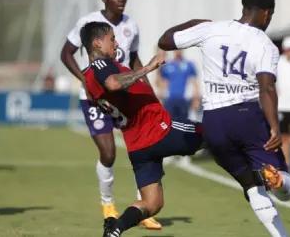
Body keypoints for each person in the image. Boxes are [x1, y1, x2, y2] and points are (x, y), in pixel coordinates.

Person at [158, 0, 290, 236]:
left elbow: (165, 40)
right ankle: (280, 182)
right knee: (285, 185)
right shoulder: (265, 44)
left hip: (214, 123)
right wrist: (274, 126)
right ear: (265, 13)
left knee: (251, 186)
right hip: (247, 117)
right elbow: (267, 87)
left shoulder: (211, 29)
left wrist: (196, 24)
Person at [77, 21, 203, 237]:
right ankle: (258, 174)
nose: (116, 43)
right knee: (213, 132)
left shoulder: (93, 75)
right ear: (97, 43)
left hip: (138, 145)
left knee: (152, 203)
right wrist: (146, 68)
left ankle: (115, 229)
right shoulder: (99, 67)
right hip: (158, 129)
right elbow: (113, 84)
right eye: (112, 39)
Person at [60, 0, 161, 229]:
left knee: (145, 146)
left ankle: (144, 207)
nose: (121, 0)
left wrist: (148, 90)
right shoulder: (89, 22)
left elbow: (133, 59)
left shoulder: (131, 25)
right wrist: (85, 80)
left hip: (125, 96)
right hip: (97, 97)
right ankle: (108, 204)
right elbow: (66, 53)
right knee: (108, 153)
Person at [156, 50, 200, 121]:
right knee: (170, 122)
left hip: (184, 100)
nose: (178, 51)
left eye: (180, 48)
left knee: (183, 123)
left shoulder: (189, 64)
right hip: (170, 100)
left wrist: (196, 99)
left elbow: (194, 82)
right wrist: (159, 97)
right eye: (176, 49)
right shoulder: (168, 65)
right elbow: (163, 83)